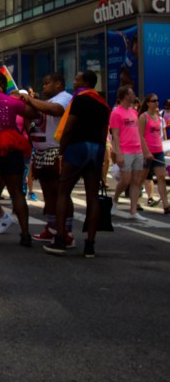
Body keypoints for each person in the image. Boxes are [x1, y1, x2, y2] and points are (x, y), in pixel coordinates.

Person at [44, 70, 111, 257]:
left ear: (85, 82)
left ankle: (60, 240)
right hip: (96, 148)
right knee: (92, 196)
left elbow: (68, 126)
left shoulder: (79, 99)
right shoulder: (104, 103)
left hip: (77, 147)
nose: (73, 82)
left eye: (77, 79)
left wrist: (61, 149)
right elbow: (105, 130)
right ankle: (90, 245)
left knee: (63, 191)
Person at [0, 71, 37, 248]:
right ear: (4, 85)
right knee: (17, 192)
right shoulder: (11, 101)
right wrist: (28, 99)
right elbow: (32, 114)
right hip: (12, 148)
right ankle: (26, 234)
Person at [20, 72, 74, 246]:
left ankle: (66, 231)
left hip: (56, 151)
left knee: (61, 192)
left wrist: (29, 99)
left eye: (47, 83)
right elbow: (31, 116)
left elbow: (55, 110)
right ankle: (52, 228)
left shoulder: (64, 98)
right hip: (41, 151)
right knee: (48, 192)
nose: (43, 87)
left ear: (58, 84)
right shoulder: (44, 102)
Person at [110, 85, 150, 220]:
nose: (134, 96)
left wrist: (144, 151)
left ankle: (133, 211)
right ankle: (115, 200)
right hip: (125, 150)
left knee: (136, 181)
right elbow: (115, 134)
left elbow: (138, 133)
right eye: (132, 93)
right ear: (126, 96)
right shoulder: (116, 112)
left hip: (137, 150)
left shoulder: (134, 112)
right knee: (125, 180)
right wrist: (119, 153)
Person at [139, 93, 170, 214]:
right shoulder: (143, 117)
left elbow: (160, 135)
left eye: (157, 100)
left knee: (161, 177)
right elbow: (140, 136)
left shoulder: (159, 117)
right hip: (147, 152)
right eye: (153, 100)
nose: (156, 102)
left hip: (158, 151)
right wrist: (146, 152)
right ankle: (135, 202)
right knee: (142, 178)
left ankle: (166, 206)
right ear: (147, 103)